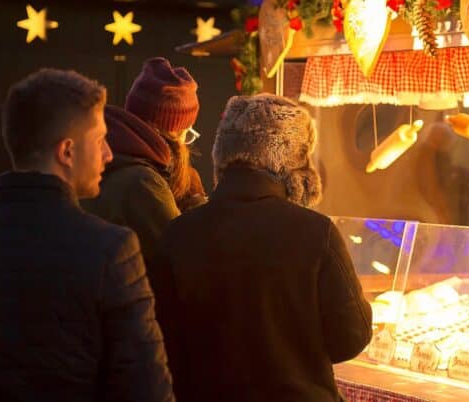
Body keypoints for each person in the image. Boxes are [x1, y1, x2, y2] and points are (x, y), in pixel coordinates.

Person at [0, 69, 174, 402]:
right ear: (67, 151)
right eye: (101, 139)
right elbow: (146, 388)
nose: (109, 154)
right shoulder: (111, 251)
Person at [154, 94, 372, 402]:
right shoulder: (316, 233)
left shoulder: (178, 234)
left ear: (224, 155)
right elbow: (350, 339)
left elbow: (163, 344)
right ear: (294, 161)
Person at [83, 57, 206, 280]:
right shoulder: (143, 183)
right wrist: (196, 205)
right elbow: (189, 260)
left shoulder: (112, 158)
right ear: (171, 133)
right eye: (186, 133)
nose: (187, 144)